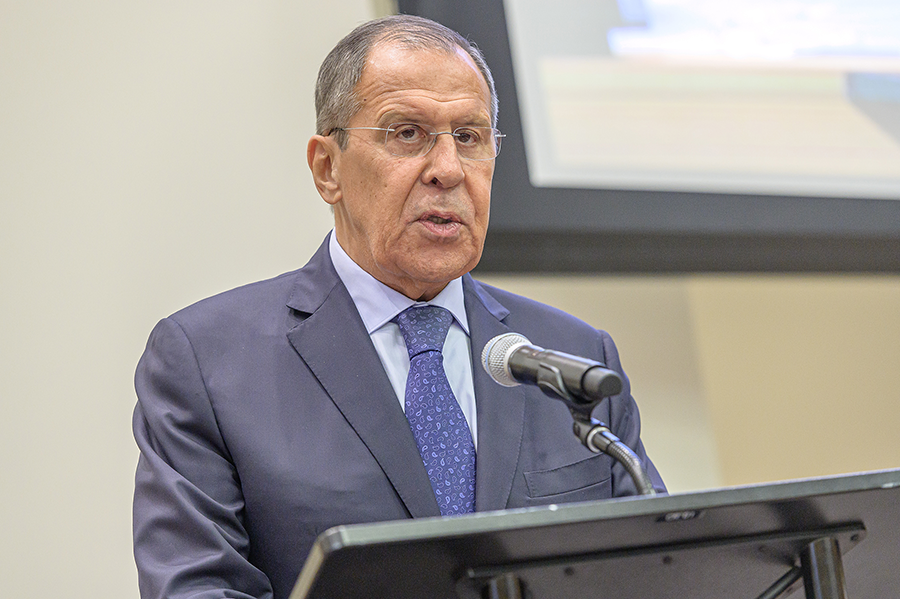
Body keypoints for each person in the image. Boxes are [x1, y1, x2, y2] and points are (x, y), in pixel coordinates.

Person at [132, 14, 664, 599]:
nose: (447, 169)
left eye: (469, 137)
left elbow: (658, 570)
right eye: (406, 133)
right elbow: (198, 589)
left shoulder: (575, 358)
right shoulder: (208, 362)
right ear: (326, 168)